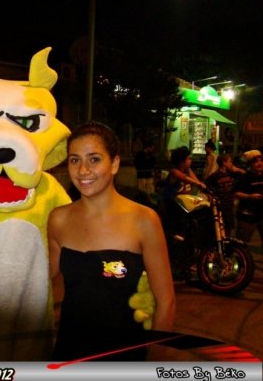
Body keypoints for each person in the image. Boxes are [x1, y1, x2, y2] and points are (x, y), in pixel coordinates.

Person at [48, 122, 175, 361]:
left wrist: (155, 363)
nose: (83, 170)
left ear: (114, 164)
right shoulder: (59, 219)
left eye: (94, 159)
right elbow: (43, 273)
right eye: (75, 160)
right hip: (69, 354)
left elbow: (166, 302)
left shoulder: (143, 220)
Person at [205, 153, 245, 237]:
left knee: (229, 226)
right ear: (224, 163)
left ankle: (226, 241)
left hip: (229, 204)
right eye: (230, 161)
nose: (231, 163)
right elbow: (206, 185)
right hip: (219, 205)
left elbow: (245, 174)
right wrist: (211, 195)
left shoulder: (232, 173)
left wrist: (237, 169)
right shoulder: (216, 175)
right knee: (218, 226)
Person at [234, 150, 263, 247]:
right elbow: (235, 193)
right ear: (251, 164)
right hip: (247, 216)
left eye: (261, 161)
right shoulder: (246, 177)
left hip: (261, 214)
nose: (260, 164)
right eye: (256, 162)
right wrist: (250, 196)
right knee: (241, 243)